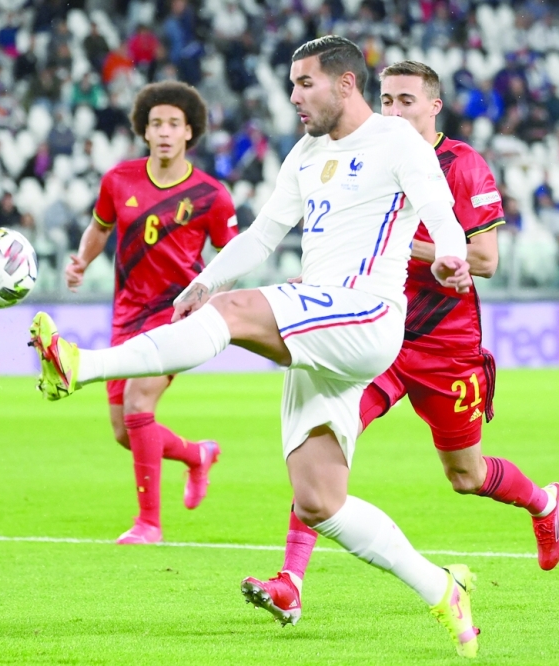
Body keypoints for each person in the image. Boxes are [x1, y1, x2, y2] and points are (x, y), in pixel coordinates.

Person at [29, 36, 481, 658]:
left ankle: (80, 366)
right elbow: (265, 234)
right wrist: (203, 282)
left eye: (304, 83)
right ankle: (442, 588)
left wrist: (452, 253)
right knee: (319, 502)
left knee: (235, 311)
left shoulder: (396, 139)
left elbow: (437, 205)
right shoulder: (306, 152)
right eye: (292, 84)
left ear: (345, 83)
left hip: (369, 313)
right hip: (324, 327)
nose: (293, 96)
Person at [239, 60, 559, 629]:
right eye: (386, 99)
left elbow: (484, 259)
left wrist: (400, 239)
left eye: (406, 100)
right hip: (373, 335)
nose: (393, 110)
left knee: (465, 476)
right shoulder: (361, 157)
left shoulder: (461, 165)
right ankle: (290, 582)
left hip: (445, 345)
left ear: (434, 107)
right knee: (322, 442)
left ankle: (544, 502)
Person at [57, 82, 238, 546]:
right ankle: (197, 454)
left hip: (177, 315)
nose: (164, 132)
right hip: (126, 314)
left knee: (139, 404)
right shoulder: (118, 180)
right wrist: (82, 261)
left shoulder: (211, 195)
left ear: (189, 132)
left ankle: (149, 524)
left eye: (173, 124)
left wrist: (212, 297)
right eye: (156, 123)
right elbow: (99, 228)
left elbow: (233, 258)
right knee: (125, 431)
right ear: (144, 130)